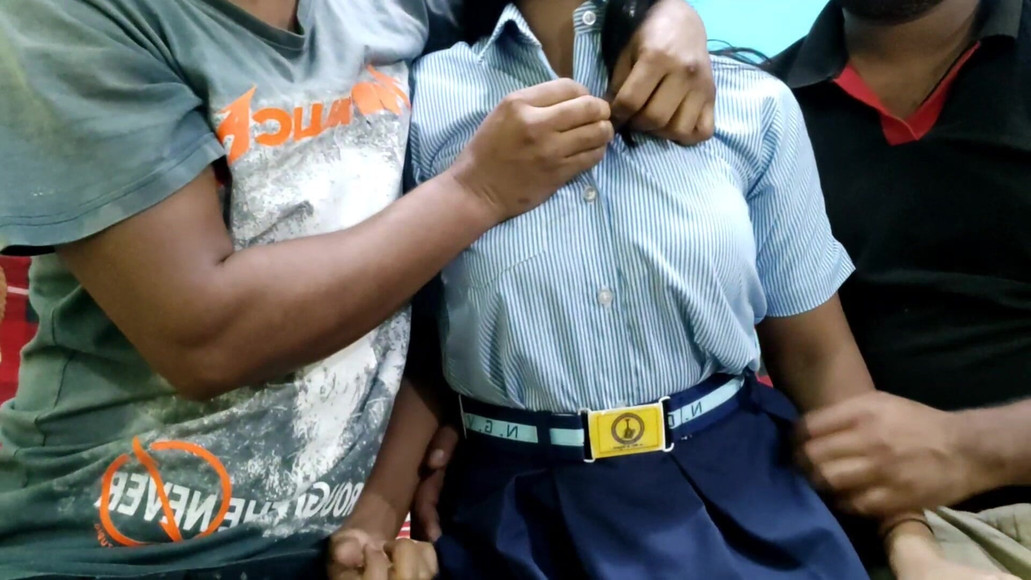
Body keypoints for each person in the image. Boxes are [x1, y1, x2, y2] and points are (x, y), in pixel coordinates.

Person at [0, 0, 717, 577]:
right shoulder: (75, 19)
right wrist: (478, 190)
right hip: (110, 540)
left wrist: (659, 16)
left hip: (339, 547)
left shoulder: (400, 11)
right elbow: (204, 337)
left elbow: (542, 20)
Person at [325, 1, 980, 577]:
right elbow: (418, 340)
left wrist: (910, 542)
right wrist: (377, 517)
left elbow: (817, 354)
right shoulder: (413, 105)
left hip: (744, 494)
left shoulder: (752, 104)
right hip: (514, 516)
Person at [766, 0, 1031, 577]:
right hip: (866, 534)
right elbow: (806, 359)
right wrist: (907, 537)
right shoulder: (758, 115)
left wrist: (971, 448)